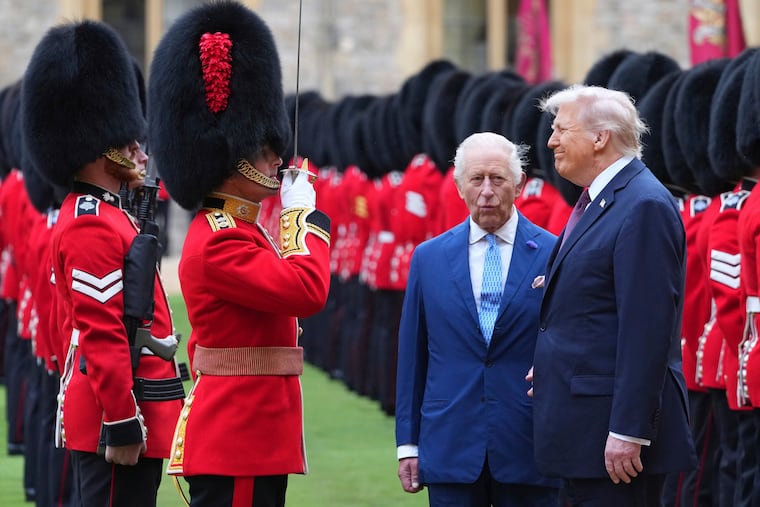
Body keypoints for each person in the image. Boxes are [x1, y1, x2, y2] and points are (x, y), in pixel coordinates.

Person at [147, 3, 331, 506]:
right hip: (239, 439)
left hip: (254, 436)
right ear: (231, 157)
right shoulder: (221, 239)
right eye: (263, 150)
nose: (277, 158)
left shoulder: (241, 230)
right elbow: (306, 289)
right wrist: (304, 220)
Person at [21, 20, 184, 506]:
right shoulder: (91, 223)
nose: (138, 148)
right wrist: (121, 421)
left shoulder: (108, 215)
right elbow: (102, 332)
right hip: (116, 416)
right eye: (128, 140)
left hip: (134, 406)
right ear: (100, 144)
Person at [529, 84, 697, 506]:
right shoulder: (600, 200)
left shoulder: (641, 205)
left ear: (600, 138)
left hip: (613, 438)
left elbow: (646, 328)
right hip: (583, 426)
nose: (551, 141)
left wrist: (629, 430)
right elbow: (595, 306)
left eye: (561, 129)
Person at [395, 131, 560, 507]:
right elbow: (413, 357)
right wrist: (408, 443)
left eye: (498, 179)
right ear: (459, 186)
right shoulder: (429, 258)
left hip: (529, 443)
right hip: (450, 442)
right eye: (477, 179)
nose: (487, 190)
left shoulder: (555, 252)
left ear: (518, 185)